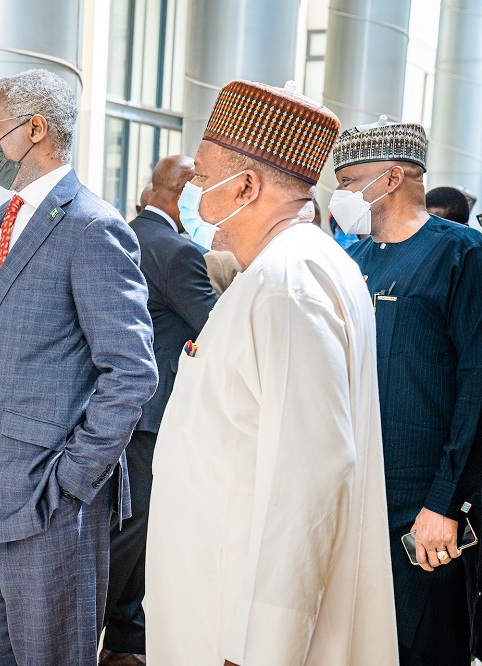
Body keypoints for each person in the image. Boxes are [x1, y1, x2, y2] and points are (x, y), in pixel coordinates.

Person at [145, 80, 398, 665]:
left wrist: (260, 649)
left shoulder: (290, 287)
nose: (197, 196)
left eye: (203, 180)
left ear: (247, 185)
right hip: (217, 604)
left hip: (239, 630)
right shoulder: (285, 271)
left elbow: (309, 484)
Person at [0, 68, 157, 666]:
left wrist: (72, 480)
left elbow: (131, 371)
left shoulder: (92, 228)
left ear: (34, 128)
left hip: (47, 498)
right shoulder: (1, 221)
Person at [331, 121, 482, 665]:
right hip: (361, 493)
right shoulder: (351, 263)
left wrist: (445, 503)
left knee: (423, 643)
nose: (340, 194)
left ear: (391, 177)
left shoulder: (462, 256)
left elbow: (476, 388)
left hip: (425, 505)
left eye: (349, 180)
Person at [100, 154, 216, 666]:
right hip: (151, 417)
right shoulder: (178, 252)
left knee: (127, 531)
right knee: (134, 534)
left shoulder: (120, 234)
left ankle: (125, 643)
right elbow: (217, 326)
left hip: (110, 408)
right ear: (185, 189)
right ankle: (98, 630)